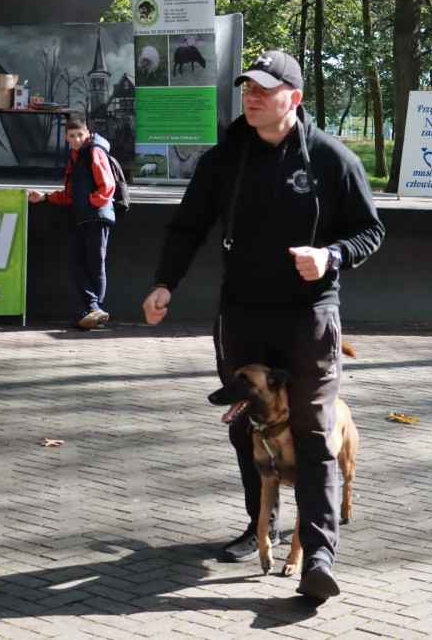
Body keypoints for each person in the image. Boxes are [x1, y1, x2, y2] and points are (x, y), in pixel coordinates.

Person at [142, 51, 384, 599]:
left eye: (265, 89)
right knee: (242, 425)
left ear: (293, 98)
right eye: (247, 87)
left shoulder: (331, 158)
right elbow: (187, 227)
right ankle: (261, 524)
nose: (251, 96)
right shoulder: (224, 159)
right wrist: (165, 283)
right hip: (243, 316)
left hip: (309, 318)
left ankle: (319, 555)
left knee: (315, 431)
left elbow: (371, 231)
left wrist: (332, 257)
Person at [29, 117, 115, 330]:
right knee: (76, 262)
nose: (76, 138)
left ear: (87, 134)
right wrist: (45, 197)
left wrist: (90, 203)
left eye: (80, 134)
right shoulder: (74, 158)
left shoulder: (95, 151)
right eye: (71, 135)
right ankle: (96, 310)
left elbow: (108, 185)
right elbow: (69, 194)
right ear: (66, 138)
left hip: (96, 216)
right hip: (83, 216)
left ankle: (95, 309)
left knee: (95, 264)